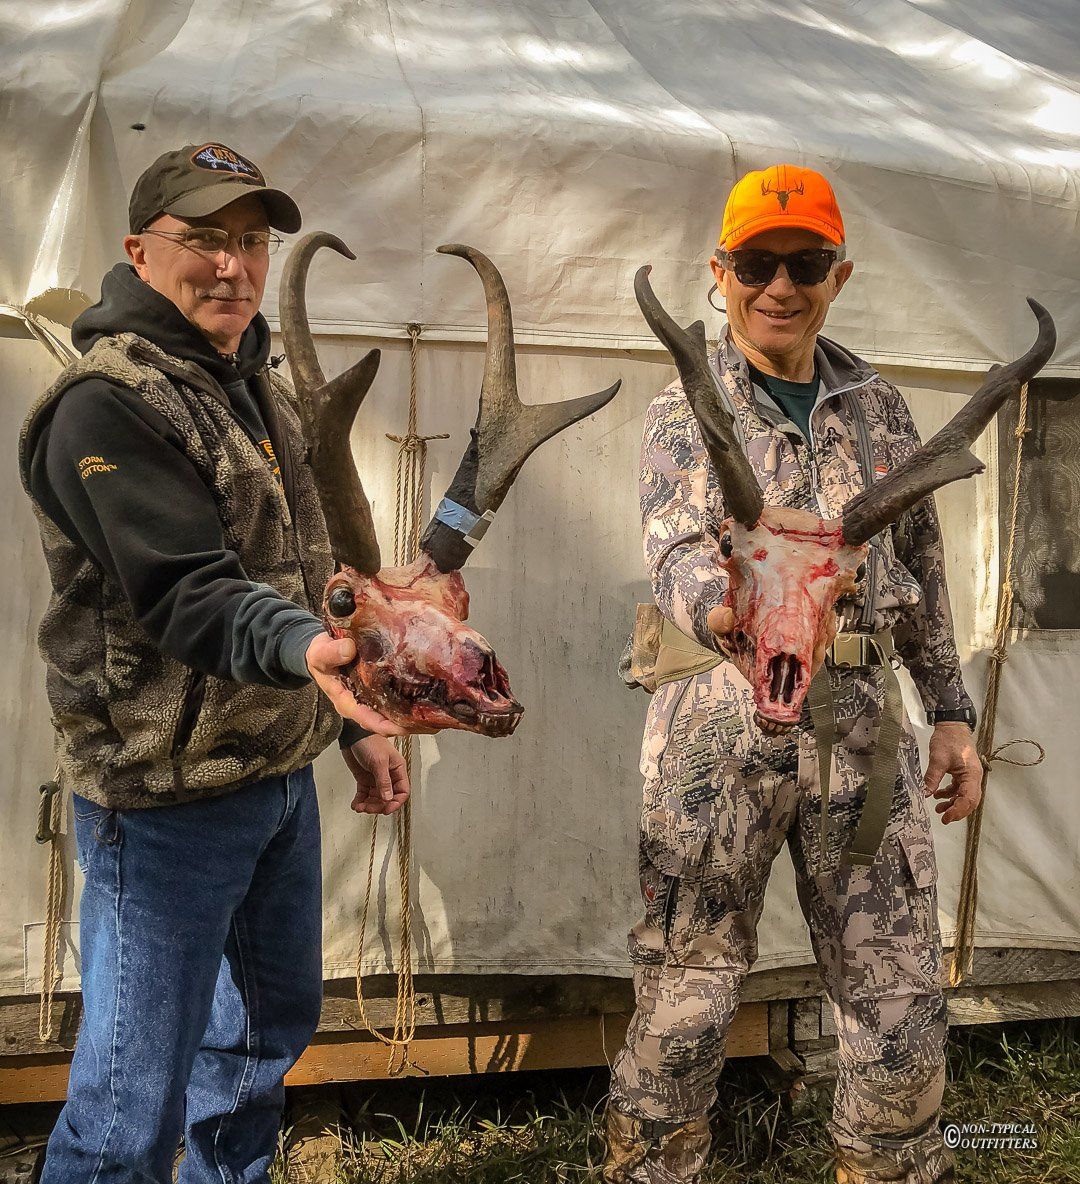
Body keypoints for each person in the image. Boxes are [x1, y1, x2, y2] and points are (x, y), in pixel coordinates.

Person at [18, 141, 427, 1183]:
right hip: (161, 804)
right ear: (138, 251)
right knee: (129, 1105)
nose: (233, 266)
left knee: (254, 1053)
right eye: (203, 239)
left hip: (274, 781)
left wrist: (351, 720)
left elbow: (306, 569)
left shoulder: (257, 386)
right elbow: (188, 592)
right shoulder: (106, 406)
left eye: (251, 240)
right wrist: (308, 649)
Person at [603, 165, 981, 1184]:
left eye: (806, 264)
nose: (781, 286)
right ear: (720, 271)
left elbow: (924, 568)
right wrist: (727, 612)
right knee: (687, 985)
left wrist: (950, 712)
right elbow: (676, 551)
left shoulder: (881, 409)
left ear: (838, 274)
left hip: (862, 727)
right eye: (758, 264)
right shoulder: (687, 406)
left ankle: (890, 1163)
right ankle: (654, 1168)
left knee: (896, 987)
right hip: (720, 724)